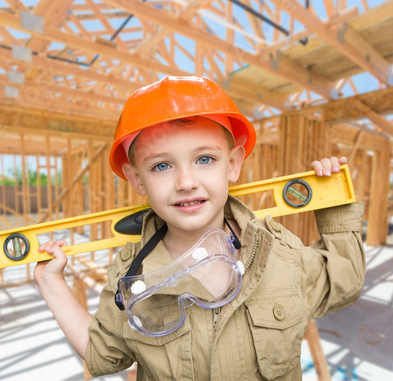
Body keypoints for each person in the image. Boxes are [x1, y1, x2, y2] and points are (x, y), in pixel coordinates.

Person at [34, 76, 365, 380]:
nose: (186, 182)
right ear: (137, 179)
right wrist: (51, 283)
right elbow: (103, 356)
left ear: (233, 164)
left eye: (204, 159)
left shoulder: (276, 252)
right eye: (162, 165)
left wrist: (336, 207)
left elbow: (344, 281)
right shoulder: (132, 280)